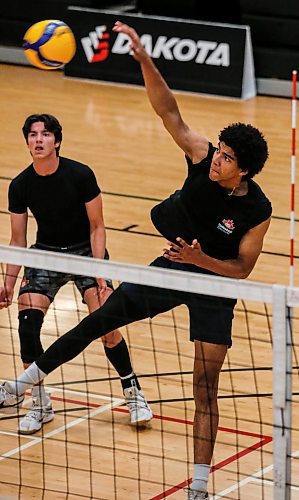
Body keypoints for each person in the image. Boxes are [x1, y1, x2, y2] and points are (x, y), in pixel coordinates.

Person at [0, 23, 272, 499]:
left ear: (243, 170)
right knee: (102, 317)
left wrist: (201, 258)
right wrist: (144, 59)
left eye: (227, 159)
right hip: (175, 264)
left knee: (205, 386)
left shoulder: (258, 209)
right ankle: (22, 382)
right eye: (220, 152)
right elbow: (169, 111)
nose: (217, 160)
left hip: (214, 284)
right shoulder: (201, 155)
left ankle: (200, 486)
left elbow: (242, 270)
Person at [0, 112, 152, 435]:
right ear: (27, 141)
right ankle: (40, 403)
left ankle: (133, 392)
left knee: (106, 324)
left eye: (44, 134)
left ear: (57, 141)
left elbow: (98, 227)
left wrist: (99, 272)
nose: (38, 139)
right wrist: (8, 283)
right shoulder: (20, 185)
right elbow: (17, 240)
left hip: (86, 251)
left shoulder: (81, 175)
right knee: (27, 326)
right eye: (32, 134)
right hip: (46, 253)